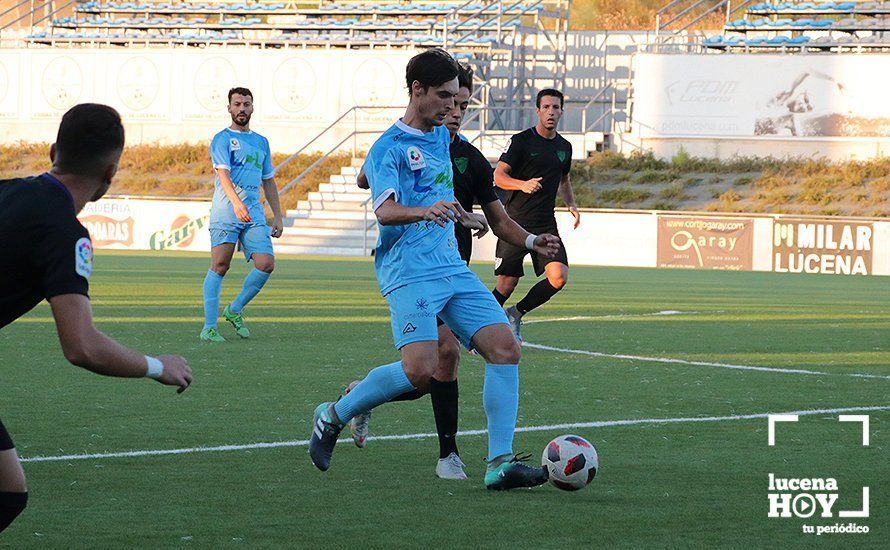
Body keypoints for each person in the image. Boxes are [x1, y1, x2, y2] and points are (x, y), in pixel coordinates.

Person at [308, 48, 559, 491]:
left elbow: (434, 187)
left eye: (457, 98)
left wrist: (516, 234)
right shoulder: (389, 146)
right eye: (443, 96)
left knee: (505, 348)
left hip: (450, 267)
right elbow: (385, 211)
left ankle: (499, 464)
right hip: (409, 270)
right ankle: (333, 414)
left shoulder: (442, 139)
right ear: (416, 90)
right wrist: (424, 207)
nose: (451, 106)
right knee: (420, 370)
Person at [0, 104, 193, 534]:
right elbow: (81, 346)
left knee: (6, 492)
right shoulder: (65, 234)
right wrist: (159, 367)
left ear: (53, 150)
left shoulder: (8, 190)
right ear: (111, 171)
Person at [491, 88, 579, 341]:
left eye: (556, 107)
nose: (552, 112)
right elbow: (499, 176)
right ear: (538, 111)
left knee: (558, 277)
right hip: (515, 222)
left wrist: (571, 204)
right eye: (547, 107)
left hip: (545, 223)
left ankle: (516, 313)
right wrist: (522, 184)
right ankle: (475, 327)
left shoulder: (564, 147)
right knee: (507, 283)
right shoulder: (521, 141)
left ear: (562, 111)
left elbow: (564, 179)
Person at [200, 87, 284, 342]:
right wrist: (236, 203)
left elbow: (268, 181)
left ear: (252, 107)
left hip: (255, 212)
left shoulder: (261, 141)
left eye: (246, 104)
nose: (242, 109)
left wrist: (278, 216)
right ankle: (209, 327)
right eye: (237, 104)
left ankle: (235, 309)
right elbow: (222, 174)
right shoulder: (222, 139)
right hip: (227, 210)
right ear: (229, 108)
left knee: (266, 263)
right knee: (220, 265)